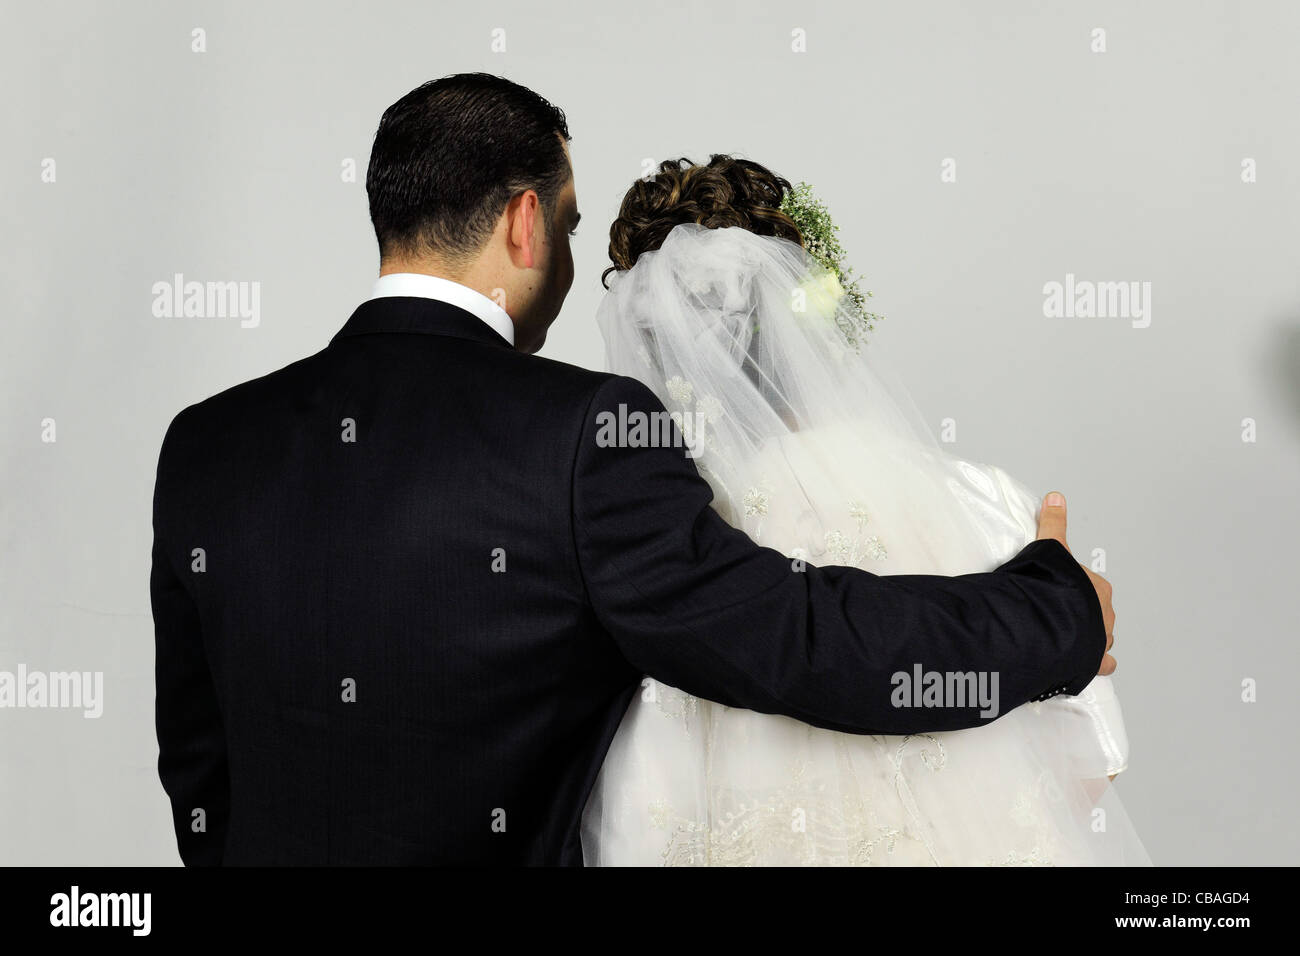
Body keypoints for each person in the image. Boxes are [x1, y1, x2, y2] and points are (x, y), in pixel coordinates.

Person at [151, 74, 1114, 865]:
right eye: (569, 226)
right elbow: (796, 638)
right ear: (525, 224)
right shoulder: (583, 434)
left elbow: (200, 772)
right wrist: (1054, 609)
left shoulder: (206, 443)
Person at [582, 155, 1149, 865]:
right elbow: (1095, 758)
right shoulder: (985, 498)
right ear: (819, 314)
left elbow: (642, 822)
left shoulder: (665, 554)